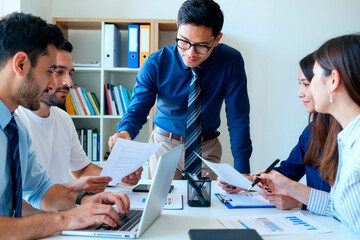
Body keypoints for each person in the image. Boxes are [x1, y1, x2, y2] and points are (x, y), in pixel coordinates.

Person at [0, 12, 129, 239]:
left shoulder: (14, 128)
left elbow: (41, 189)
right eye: (50, 71)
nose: (54, 83)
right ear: (21, 64)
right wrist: (67, 218)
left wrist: (85, 200)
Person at [108, 0, 252, 180]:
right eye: (184, 41)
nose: (191, 53)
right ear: (178, 27)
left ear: (217, 39)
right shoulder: (156, 63)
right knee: (164, 205)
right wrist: (125, 131)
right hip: (164, 145)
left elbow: (237, 116)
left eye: (201, 46)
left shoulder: (231, 61)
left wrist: (242, 170)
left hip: (206, 148)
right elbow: (137, 110)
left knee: (206, 206)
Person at [257, 34, 360, 233]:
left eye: (311, 79)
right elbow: (340, 209)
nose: (303, 92)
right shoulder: (347, 139)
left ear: (333, 80)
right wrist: (289, 187)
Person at [16, 39, 142, 193]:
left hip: (64, 213)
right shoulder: (14, 123)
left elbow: (82, 170)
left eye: (70, 73)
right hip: (44, 216)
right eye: (58, 72)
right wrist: (75, 195)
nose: (69, 82)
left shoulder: (63, 118)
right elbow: (17, 201)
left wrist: (119, 176)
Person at [218, 53, 340, 210]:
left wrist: (300, 202)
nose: (300, 93)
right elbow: (289, 170)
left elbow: (346, 206)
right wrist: (249, 182)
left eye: (306, 84)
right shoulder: (313, 130)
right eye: (300, 84)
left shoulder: (351, 137)